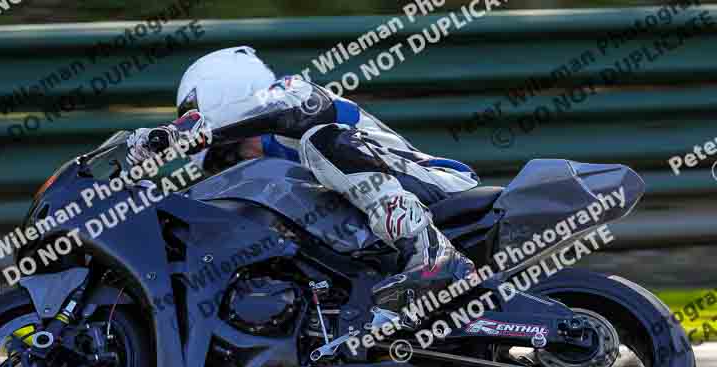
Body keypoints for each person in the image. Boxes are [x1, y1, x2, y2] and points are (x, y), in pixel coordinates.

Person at [126, 46, 476, 317]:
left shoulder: (293, 94)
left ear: (229, 94)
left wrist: (185, 132)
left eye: (232, 153)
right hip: (382, 235)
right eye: (224, 162)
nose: (238, 164)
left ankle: (432, 255)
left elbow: (292, 105)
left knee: (320, 141)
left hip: (441, 189)